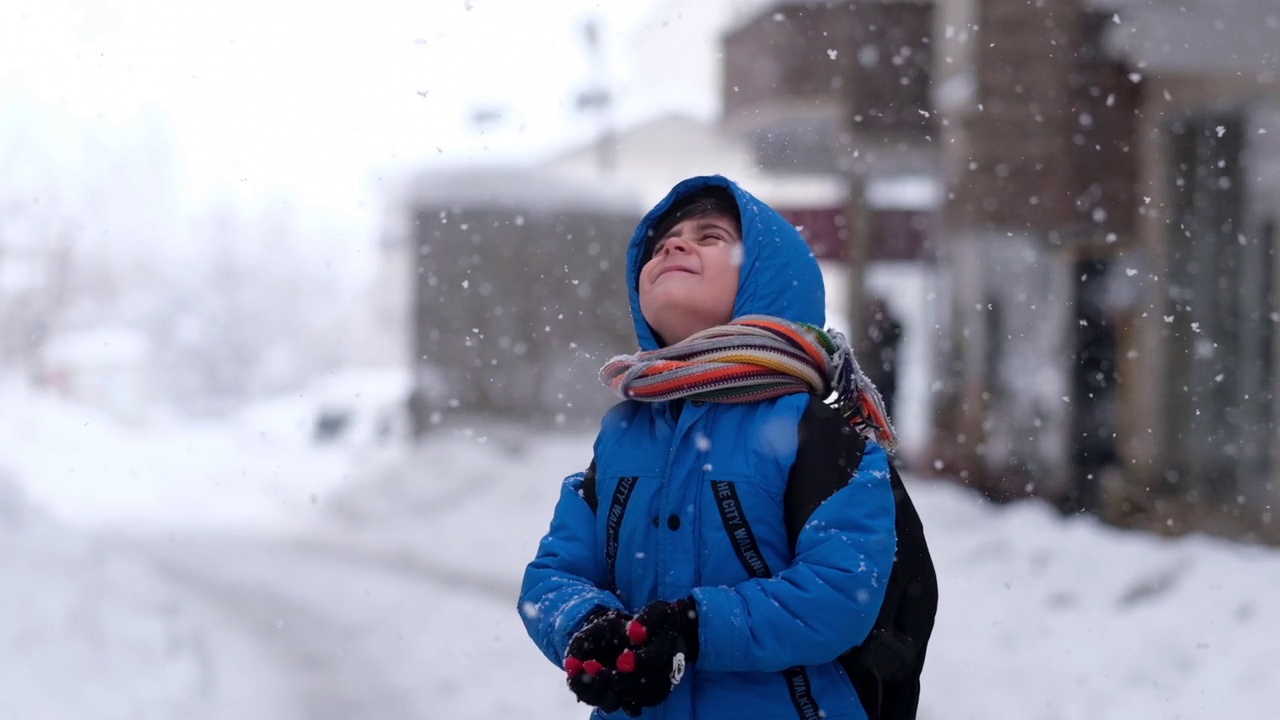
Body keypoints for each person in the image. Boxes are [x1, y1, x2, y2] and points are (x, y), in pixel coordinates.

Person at [518, 176, 907, 719]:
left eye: (710, 236)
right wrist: (587, 624)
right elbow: (554, 574)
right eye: (661, 244)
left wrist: (694, 629)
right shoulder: (623, 433)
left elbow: (842, 592)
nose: (674, 245)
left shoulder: (816, 432)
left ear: (767, 278)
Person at [860, 296, 903, 421]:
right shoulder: (867, 327)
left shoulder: (891, 328)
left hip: (886, 378)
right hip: (874, 378)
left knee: (887, 413)